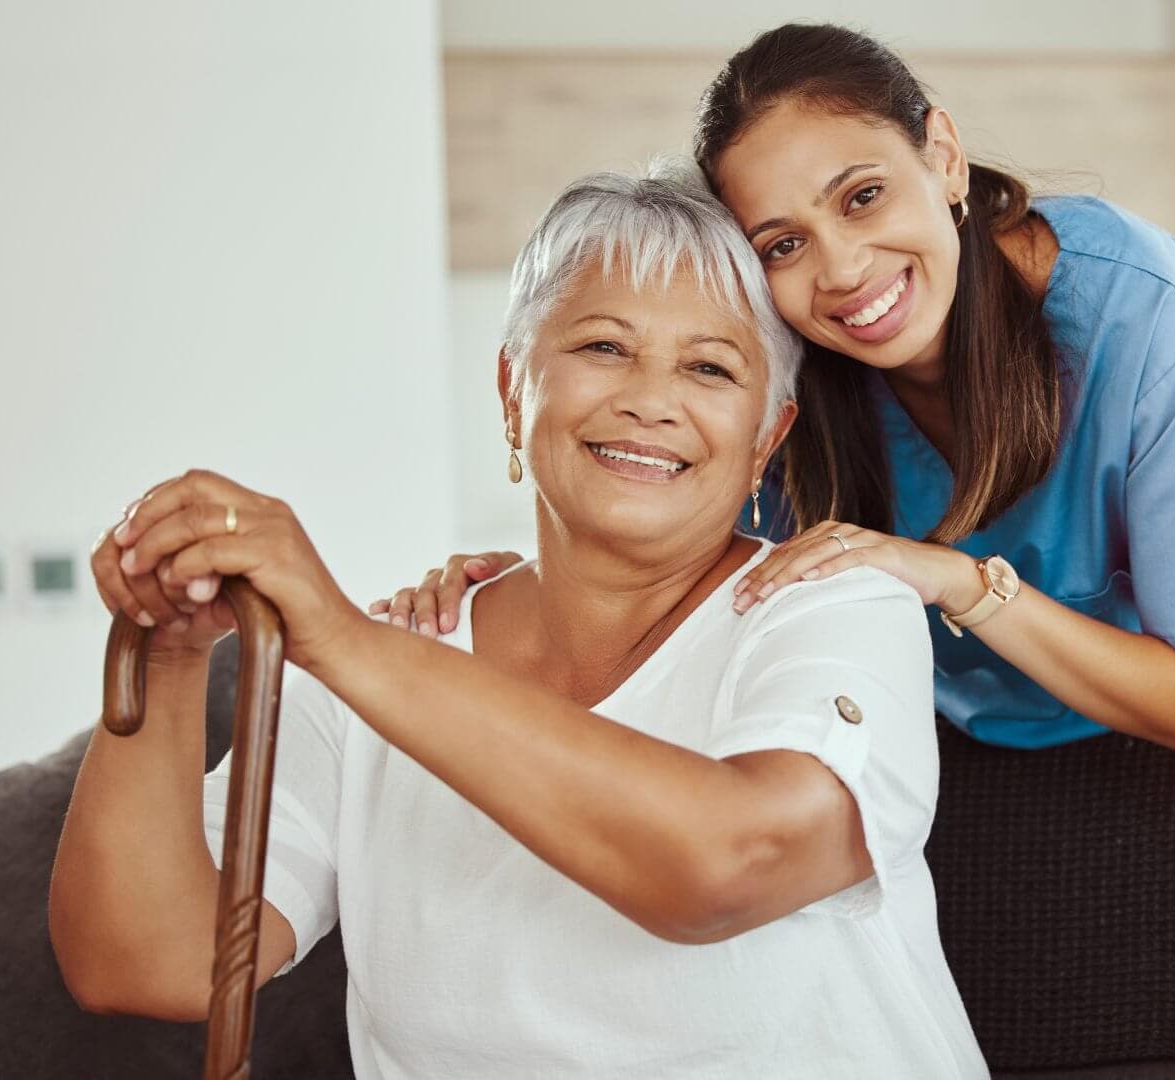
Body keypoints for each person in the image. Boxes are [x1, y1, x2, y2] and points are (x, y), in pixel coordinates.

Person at [50, 161, 988, 1078]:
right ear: (512, 390)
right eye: (602, 348)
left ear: (765, 438)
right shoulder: (385, 661)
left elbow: (727, 865)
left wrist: (344, 640)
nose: (650, 400)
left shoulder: (833, 607)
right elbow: (149, 965)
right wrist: (165, 661)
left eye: (709, 367)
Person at [380, 23, 1175, 761]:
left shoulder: (1139, 312)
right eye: (782, 243)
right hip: (1014, 735)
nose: (841, 269)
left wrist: (956, 580)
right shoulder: (792, 371)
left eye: (862, 196)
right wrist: (503, 601)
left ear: (942, 158)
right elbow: (688, 573)